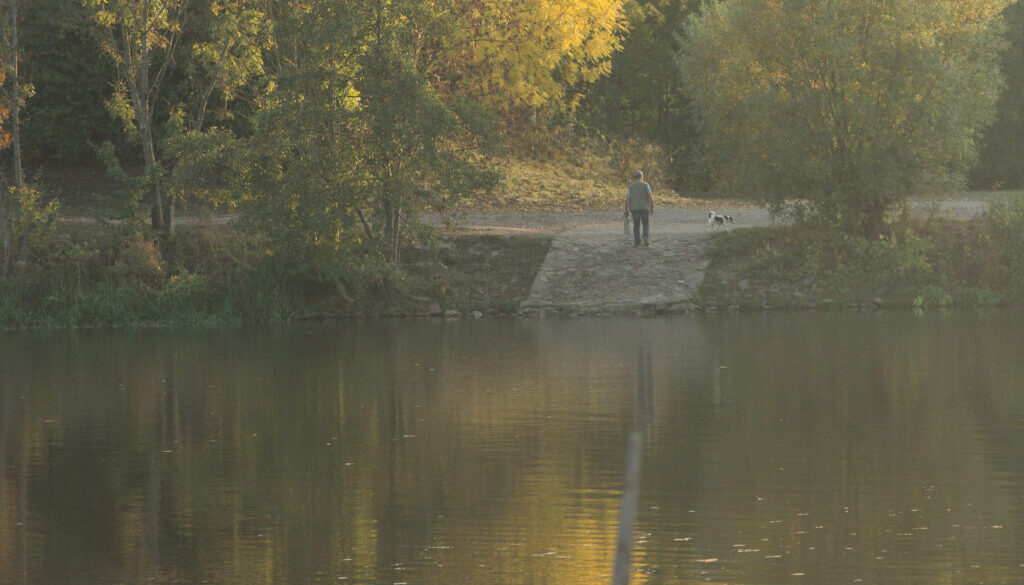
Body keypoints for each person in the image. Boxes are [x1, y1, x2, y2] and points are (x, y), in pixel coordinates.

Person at [624, 170, 654, 247]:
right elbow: (650, 196)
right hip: (644, 208)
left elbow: (627, 198)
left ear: (634, 178)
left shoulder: (630, 187)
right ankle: (645, 237)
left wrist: (626, 208)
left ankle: (637, 241)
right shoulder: (646, 185)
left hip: (634, 209)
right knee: (645, 223)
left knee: (636, 224)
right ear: (642, 176)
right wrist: (652, 206)